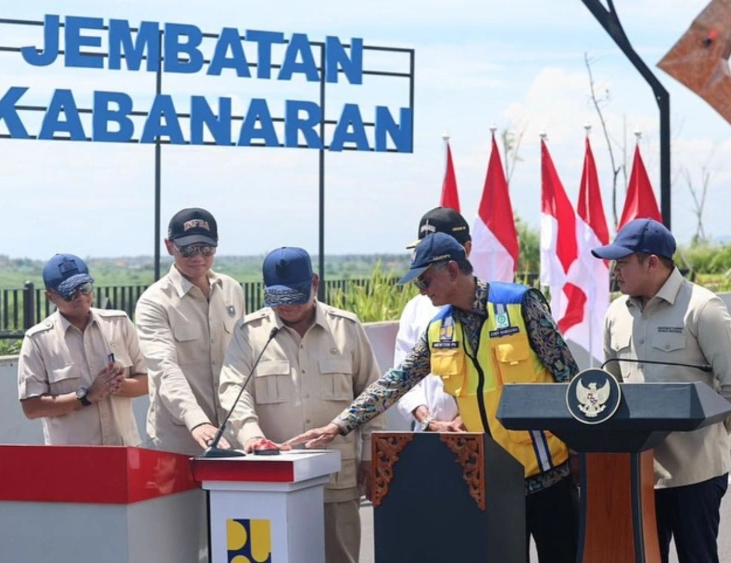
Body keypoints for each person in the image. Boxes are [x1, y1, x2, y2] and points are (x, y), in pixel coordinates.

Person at [287, 232, 580, 563]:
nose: (422, 292)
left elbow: (567, 376)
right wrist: (340, 424)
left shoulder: (519, 304)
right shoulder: (439, 329)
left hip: (548, 474)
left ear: (452, 270)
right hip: (490, 481)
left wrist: (580, 451)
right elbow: (396, 381)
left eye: (425, 281)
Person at [593, 218, 731, 563]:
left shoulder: (702, 309)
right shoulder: (615, 314)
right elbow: (611, 389)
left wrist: (708, 435)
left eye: (622, 262)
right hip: (638, 474)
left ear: (652, 262)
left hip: (695, 473)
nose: (615, 270)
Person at [218, 247, 383, 563]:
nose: (288, 306)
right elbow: (232, 389)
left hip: (338, 476)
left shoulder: (345, 329)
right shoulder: (250, 333)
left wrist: (370, 455)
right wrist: (251, 435)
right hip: (273, 479)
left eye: (295, 296)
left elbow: (372, 395)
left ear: (315, 283)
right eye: (278, 298)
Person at [135, 207, 246, 455]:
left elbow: (242, 359)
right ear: (169, 246)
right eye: (187, 248)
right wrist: (196, 420)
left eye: (206, 248)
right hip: (180, 437)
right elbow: (164, 368)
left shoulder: (232, 290)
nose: (198, 257)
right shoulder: (154, 302)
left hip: (231, 430)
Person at [18, 253, 149, 446]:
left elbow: (148, 381)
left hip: (124, 452)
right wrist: (86, 396)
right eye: (69, 292)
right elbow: (32, 407)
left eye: (84, 288)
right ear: (50, 296)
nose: (80, 297)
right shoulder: (38, 340)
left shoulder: (118, 324)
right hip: (73, 462)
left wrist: (118, 385)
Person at [395, 207, 466, 432]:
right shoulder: (415, 309)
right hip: (427, 434)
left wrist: (467, 418)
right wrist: (426, 419)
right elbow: (401, 376)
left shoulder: (498, 305)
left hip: (484, 436)